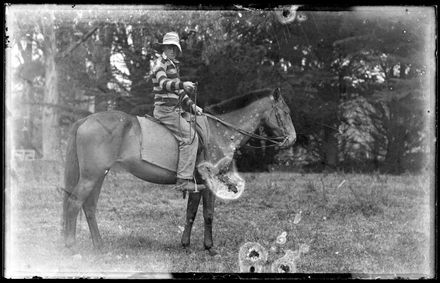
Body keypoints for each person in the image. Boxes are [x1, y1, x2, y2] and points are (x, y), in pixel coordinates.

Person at [151, 31, 203, 192]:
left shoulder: (172, 65)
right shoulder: (159, 64)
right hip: (165, 111)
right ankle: (183, 180)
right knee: (190, 138)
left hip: (174, 109)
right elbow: (164, 84)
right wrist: (182, 84)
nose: (173, 50)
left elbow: (179, 93)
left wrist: (192, 106)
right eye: (169, 47)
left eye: (175, 48)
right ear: (164, 48)